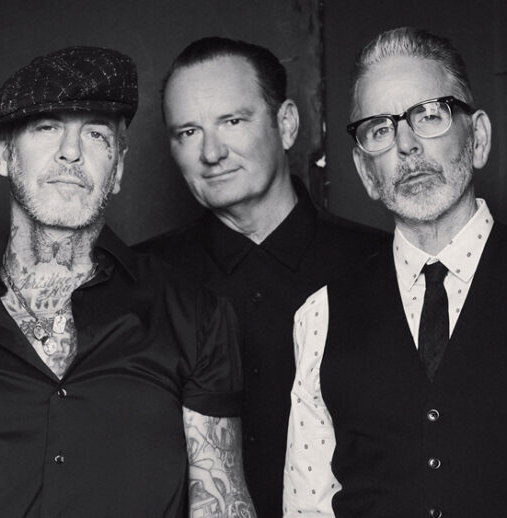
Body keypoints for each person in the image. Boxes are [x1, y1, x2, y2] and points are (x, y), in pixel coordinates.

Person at [0, 46, 256, 518]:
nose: (71, 152)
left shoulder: (193, 314)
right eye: (47, 127)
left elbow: (221, 498)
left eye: (95, 134)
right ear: (3, 153)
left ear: (118, 168)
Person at [283, 27, 507, 517]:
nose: (407, 145)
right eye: (380, 129)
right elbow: (307, 508)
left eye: (429, 115)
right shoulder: (319, 317)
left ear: (477, 138)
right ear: (365, 171)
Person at [137, 37, 387, 516]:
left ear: (286, 124)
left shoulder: (380, 266)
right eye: (188, 131)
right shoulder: (140, 280)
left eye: (232, 121)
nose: (212, 152)